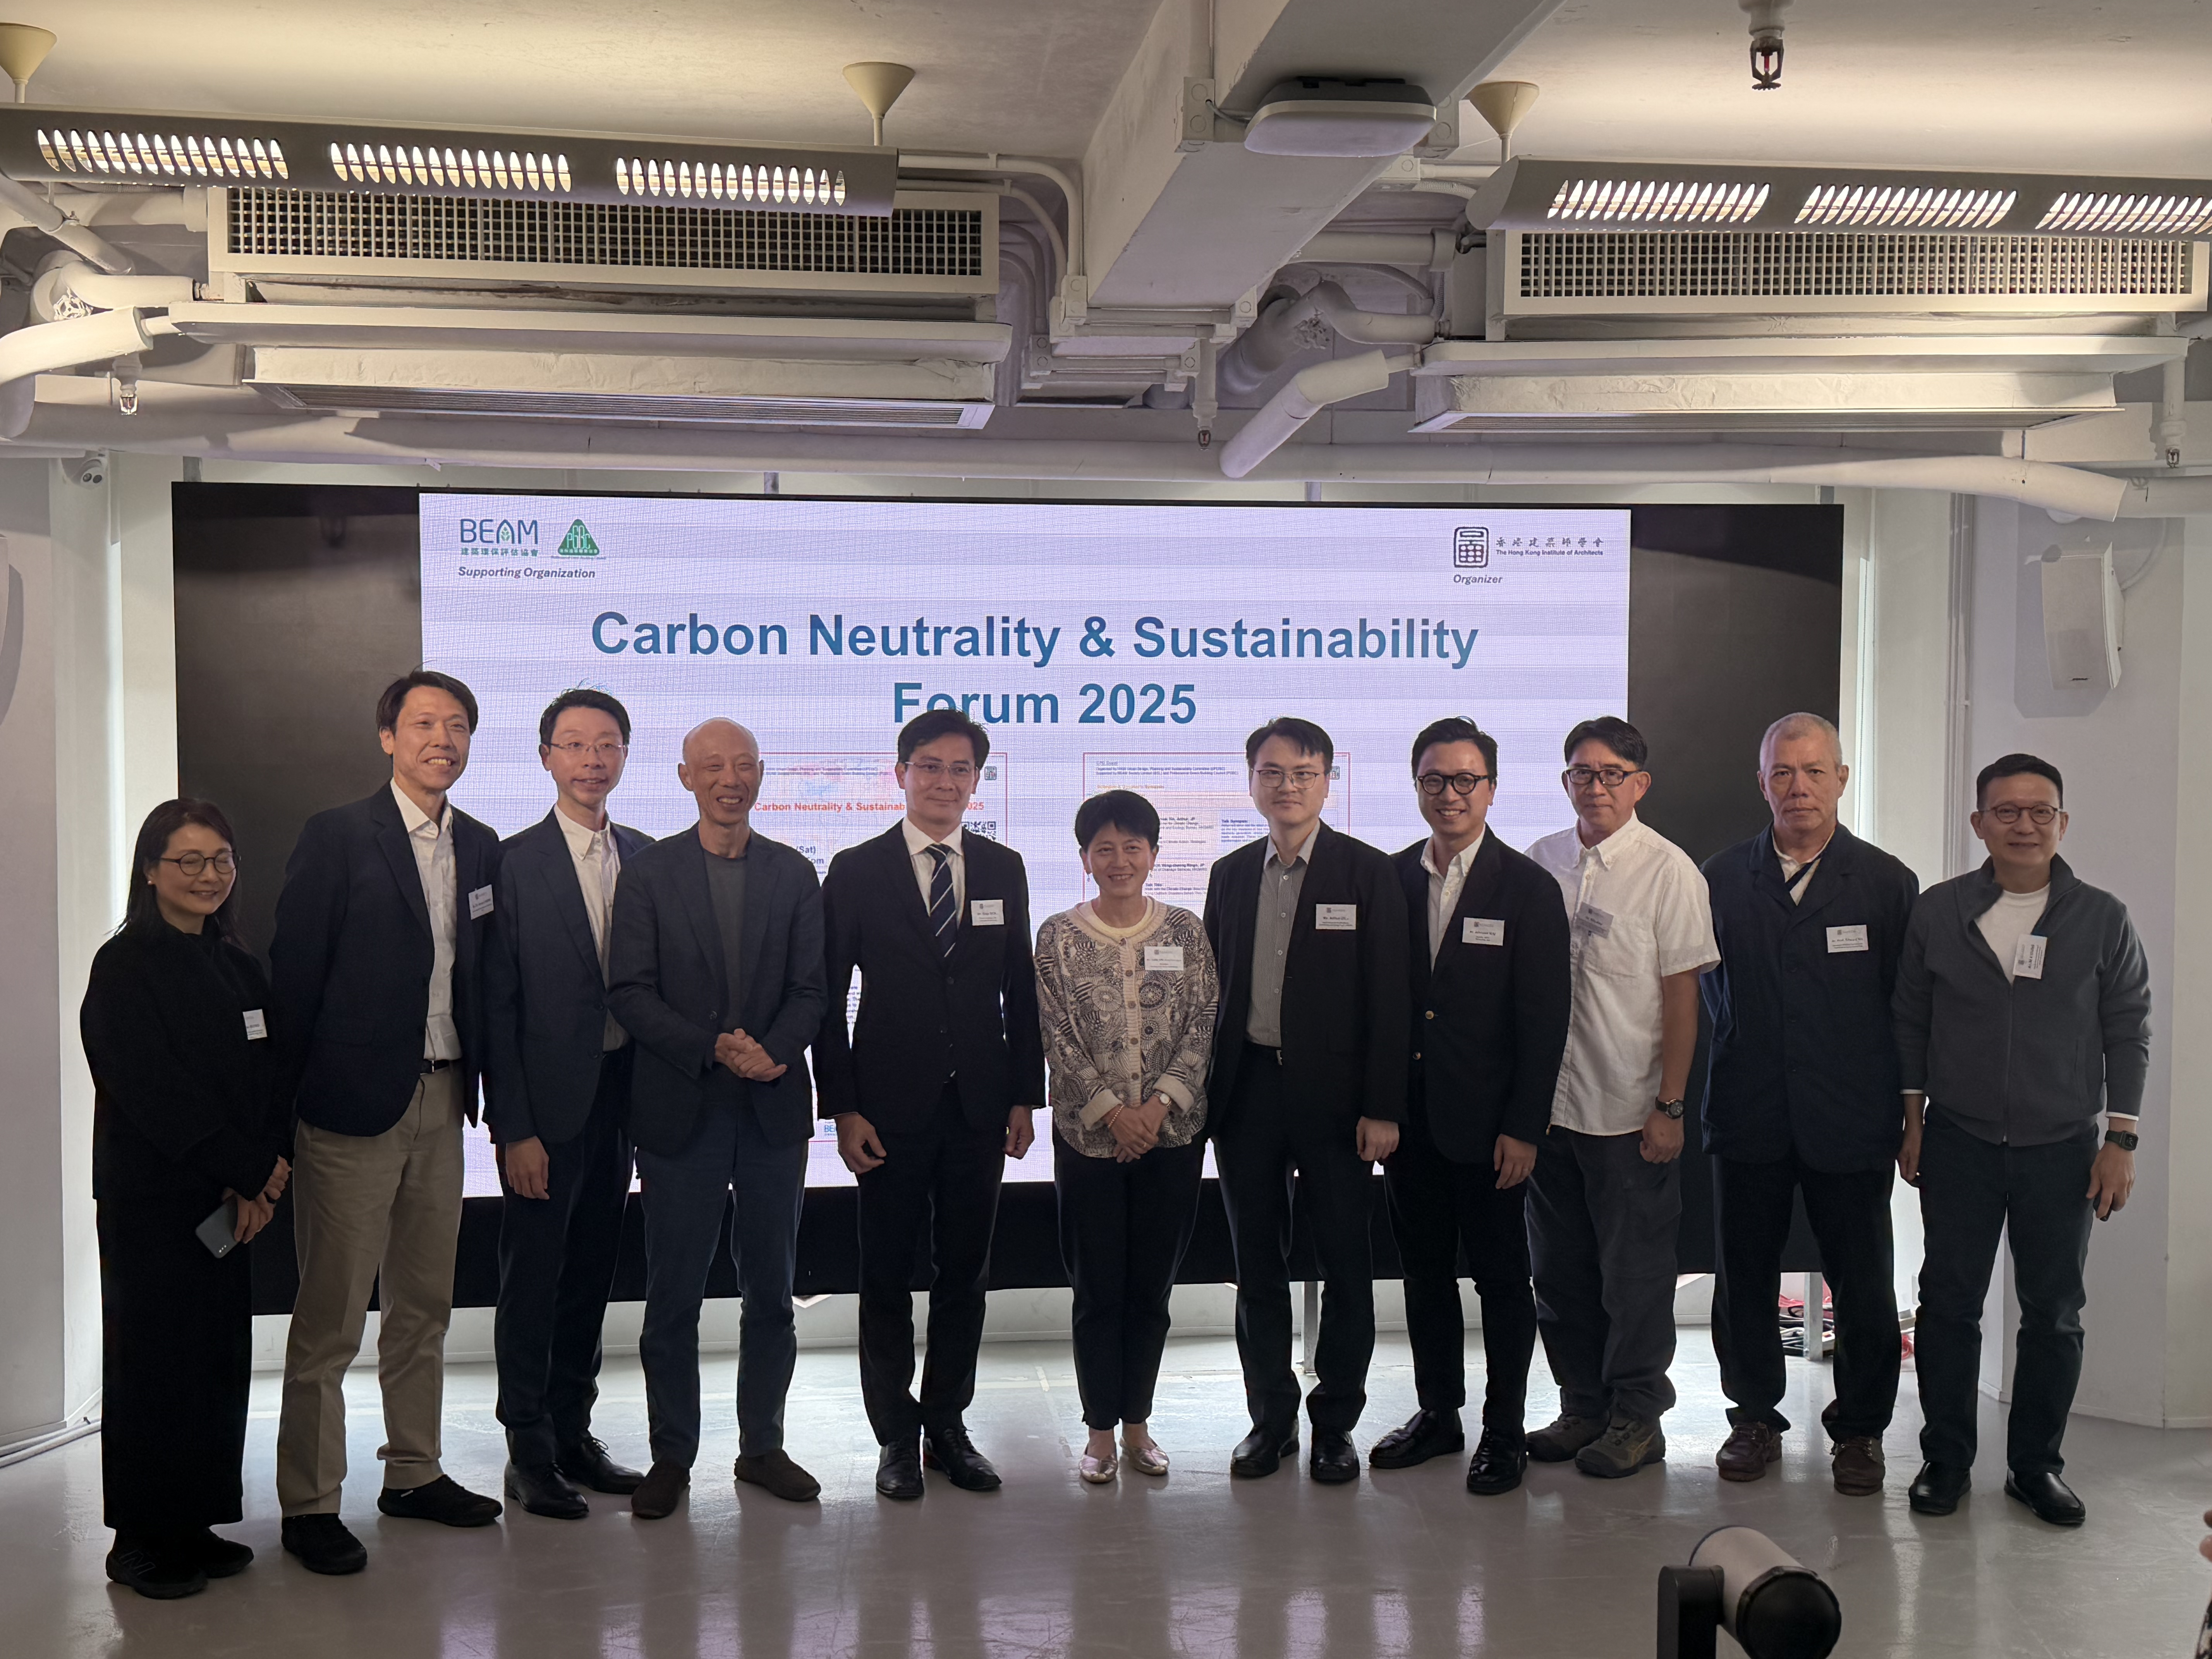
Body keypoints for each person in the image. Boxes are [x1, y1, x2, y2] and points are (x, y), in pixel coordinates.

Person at [269, 670, 504, 1575]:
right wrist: (279, 1121)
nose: (442, 740)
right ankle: (311, 1501)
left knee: (424, 1306)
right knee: (331, 1316)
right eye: (424, 724)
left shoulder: (479, 845)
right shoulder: (337, 836)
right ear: (387, 738)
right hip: (350, 1108)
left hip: (444, 1099)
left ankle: (413, 1472)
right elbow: (296, 980)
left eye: (457, 726)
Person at [1896, 752, 2150, 1528]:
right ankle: (1946, 1461)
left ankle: (2037, 1468)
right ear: (1980, 824)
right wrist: (1913, 1122)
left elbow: (2128, 1028)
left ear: (2063, 823)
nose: (2025, 825)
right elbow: (1911, 1019)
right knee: (1948, 1304)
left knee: (2054, 1313)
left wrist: (2122, 1140)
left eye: (2041, 812)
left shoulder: (2102, 917)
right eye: (2007, 811)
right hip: (1960, 1141)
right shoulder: (1940, 911)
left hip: (2063, 1148)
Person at [815, 708, 1043, 1500]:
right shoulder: (857, 869)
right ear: (901, 774)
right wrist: (843, 1108)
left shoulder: (1004, 867)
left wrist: (1025, 1095)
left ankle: (947, 1425)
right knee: (885, 1275)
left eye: (961, 769)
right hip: (887, 1109)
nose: (946, 782)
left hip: (979, 1105)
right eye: (931, 766)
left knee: (964, 1275)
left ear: (977, 780)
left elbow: (1020, 989)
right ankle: (895, 1436)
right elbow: (827, 997)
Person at [607, 718, 828, 1518]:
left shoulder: (793, 872)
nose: (729, 780)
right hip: (681, 1110)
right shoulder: (649, 873)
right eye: (712, 767)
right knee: (674, 1295)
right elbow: (629, 991)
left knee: (772, 1291)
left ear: (761, 776)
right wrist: (713, 1049)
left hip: (771, 1109)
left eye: (743, 767)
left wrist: (771, 1052)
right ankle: (672, 1455)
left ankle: (762, 1446)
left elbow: (813, 989)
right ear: (685, 778)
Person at [1699, 713, 1918, 1495]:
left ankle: (1859, 1431)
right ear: (1762, 783)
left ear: (1842, 780)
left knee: (1864, 1282)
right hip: (1748, 1107)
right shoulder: (1721, 877)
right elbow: (1704, 991)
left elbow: (1906, 1009)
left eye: (1815, 771)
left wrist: (1912, 1116)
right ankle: (1754, 1417)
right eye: (1783, 773)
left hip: (1851, 1115)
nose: (1799, 787)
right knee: (1744, 1277)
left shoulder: (1888, 883)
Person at [80, 799, 290, 1599]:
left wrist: (263, 1173)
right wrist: (243, 1167)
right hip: (156, 1202)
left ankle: (194, 1520)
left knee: (215, 1361)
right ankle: (139, 1538)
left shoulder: (239, 965)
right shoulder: (125, 965)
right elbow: (150, 1088)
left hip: (232, 1201)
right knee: (153, 1365)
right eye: (189, 861)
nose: (209, 876)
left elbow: (269, 1077)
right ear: (150, 870)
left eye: (221, 860)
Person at [1202, 716, 1409, 1484]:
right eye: (1272, 772)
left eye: (1303, 773)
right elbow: (1212, 994)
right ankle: (1271, 1421)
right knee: (1257, 1266)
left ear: (1327, 781)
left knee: (1347, 1266)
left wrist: (1383, 1106)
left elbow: (1390, 996)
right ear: (1252, 781)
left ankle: (1335, 1424)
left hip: (1340, 1104)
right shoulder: (1229, 874)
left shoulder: (1367, 872)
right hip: (1248, 1094)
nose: (1287, 786)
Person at [1370, 718, 1570, 1496]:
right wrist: (1381, 1107)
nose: (1449, 795)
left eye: (1465, 780)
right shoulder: (1389, 879)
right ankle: (1439, 1415)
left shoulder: (1527, 888)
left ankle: (1504, 1429)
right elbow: (1380, 1007)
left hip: (1492, 1133)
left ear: (1491, 788)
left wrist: (1524, 1127)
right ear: (1416, 786)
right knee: (1424, 1277)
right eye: (1434, 780)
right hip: (1410, 1126)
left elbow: (1544, 1020)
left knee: (1501, 1282)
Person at [1525, 715, 1718, 1479]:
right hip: (1550, 1112)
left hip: (1629, 1112)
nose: (1596, 787)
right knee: (1560, 1273)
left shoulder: (1670, 871)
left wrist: (1670, 1106)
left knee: (1634, 1277)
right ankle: (1582, 1407)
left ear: (1640, 784)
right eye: (1583, 773)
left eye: (1612, 774)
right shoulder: (1541, 862)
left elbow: (1683, 998)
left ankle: (1639, 1418)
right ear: (1566, 781)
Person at [481, 689, 652, 1519]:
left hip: (625, 1098)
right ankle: (529, 1449)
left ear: (625, 756)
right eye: (575, 744)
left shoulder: (648, 855)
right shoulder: (511, 863)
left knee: (591, 1272)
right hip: (545, 1111)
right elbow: (497, 1004)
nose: (592, 759)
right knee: (535, 1279)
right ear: (546, 756)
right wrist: (513, 1127)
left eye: (607, 744)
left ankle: (575, 1433)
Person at [1035, 790, 1219, 1484]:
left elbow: (1204, 1020)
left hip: (1172, 1141)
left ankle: (1138, 1424)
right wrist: (1115, 1113)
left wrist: (1158, 1108)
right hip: (1090, 1142)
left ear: (1154, 854)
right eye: (1104, 848)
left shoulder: (1186, 931)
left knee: (1151, 1290)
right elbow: (1057, 1034)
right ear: (1085, 858)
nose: (1119, 860)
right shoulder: (1058, 936)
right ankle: (1099, 1433)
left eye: (1132, 847)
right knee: (1097, 1291)